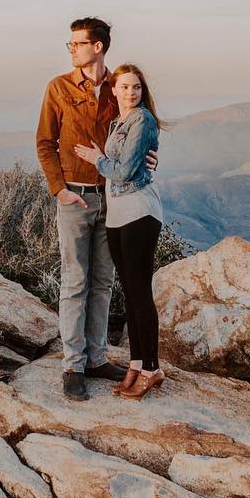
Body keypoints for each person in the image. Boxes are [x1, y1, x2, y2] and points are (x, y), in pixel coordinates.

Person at [36, 18, 156, 401]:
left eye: (77, 43)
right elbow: (44, 143)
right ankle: (73, 365)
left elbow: (137, 133)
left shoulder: (118, 87)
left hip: (115, 198)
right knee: (75, 281)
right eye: (70, 44)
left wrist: (150, 160)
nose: (71, 49)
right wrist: (59, 190)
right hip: (75, 195)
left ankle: (96, 357)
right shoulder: (59, 87)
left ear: (98, 46)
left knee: (103, 280)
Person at [74, 63, 165, 400]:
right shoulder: (118, 122)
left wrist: (97, 159)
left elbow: (125, 170)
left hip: (140, 210)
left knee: (140, 292)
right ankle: (137, 363)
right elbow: (135, 159)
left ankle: (152, 368)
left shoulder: (141, 119)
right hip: (118, 214)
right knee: (129, 291)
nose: (131, 92)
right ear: (114, 89)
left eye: (136, 87)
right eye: (125, 87)